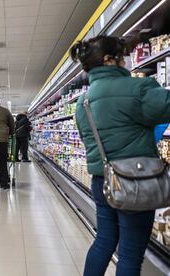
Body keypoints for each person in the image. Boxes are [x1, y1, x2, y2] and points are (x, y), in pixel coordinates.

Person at [71, 35, 170, 276]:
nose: (125, 61)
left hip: (102, 180)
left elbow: (89, 142)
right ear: (109, 60)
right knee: (130, 254)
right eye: (122, 57)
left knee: (104, 241)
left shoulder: (82, 102)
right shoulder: (138, 87)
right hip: (135, 180)